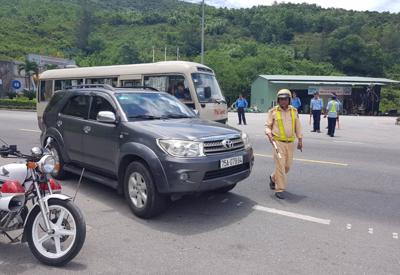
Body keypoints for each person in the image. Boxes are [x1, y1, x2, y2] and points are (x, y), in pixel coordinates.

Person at [265, 89, 303, 199]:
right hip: (278, 143)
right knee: (280, 166)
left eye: (285, 99)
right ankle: (280, 189)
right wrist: (268, 133)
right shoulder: (273, 112)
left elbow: (298, 127)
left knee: (287, 166)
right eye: (281, 99)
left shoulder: (294, 111)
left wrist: (300, 140)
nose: (283, 101)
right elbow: (267, 126)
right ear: (278, 100)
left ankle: (273, 178)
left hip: (290, 143)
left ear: (289, 100)